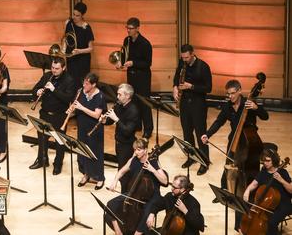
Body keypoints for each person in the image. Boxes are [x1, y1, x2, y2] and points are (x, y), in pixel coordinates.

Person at [201, 79, 269, 230]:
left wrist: (257, 107)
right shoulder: (227, 106)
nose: (230, 96)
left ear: (239, 91)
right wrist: (207, 134)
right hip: (235, 141)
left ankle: (246, 191)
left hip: (249, 142)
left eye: (232, 93)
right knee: (229, 165)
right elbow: (219, 122)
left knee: (246, 168)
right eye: (228, 94)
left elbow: (265, 116)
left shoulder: (249, 103)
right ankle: (224, 192)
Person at [106, 138, 168, 235]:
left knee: (145, 215)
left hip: (152, 196)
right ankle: (118, 232)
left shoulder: (153, 162)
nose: (136, 152)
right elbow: (121, 171)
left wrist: (153, 170)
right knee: (110, 205)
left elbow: (165, 181)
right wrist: (115, 181)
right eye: (135, 149)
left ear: (146, 150)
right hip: (135, 193)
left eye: (139, 149)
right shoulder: (133, 160)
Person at [29, 58, 76, 175]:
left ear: (63, 68)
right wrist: (37, 92)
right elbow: (34, 89)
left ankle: (58, 164)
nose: (54, 71)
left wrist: (54, 89)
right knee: (42, 138)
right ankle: (42, 160)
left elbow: (68, 98)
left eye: (57, 69)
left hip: (59, 116)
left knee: (59, 141)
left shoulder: (69, 80)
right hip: (44, 113)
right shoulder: (47, 76)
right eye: (52, 68)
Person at [173, 44, 212, 175]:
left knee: (201, 134)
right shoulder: (182, 62)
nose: (185, 60)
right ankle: (192, 157)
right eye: (183, 57)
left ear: (193, 54)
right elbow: (176, 76)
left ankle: (204, 162)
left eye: (187, 57)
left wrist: (191, 86)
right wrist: (174, 87)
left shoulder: (203, 67)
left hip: (198, 105)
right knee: (187, 134)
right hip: (184, 104)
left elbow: (208, 88)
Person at [66, 72, 106, 188]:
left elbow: (96, 115)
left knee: (95, 153)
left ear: (93, 85)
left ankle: (100, 177)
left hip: (94, 129)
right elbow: (75, 108)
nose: (84, 85)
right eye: (84, 82)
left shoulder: (100, 96)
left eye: (87, 84)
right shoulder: (80, 91)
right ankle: (86, 174)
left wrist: (82, 108)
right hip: (82, 126)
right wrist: (71, 110)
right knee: (82, 152)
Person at [115, 17, 153, 138]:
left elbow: (148, 63)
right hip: (131, 76)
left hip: (142, 78)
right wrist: (120, 62)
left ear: (137, 28)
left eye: (131, 28)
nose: (128, 31)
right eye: (127, 28)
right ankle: (136, 125)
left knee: (144, 103)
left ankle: (148, 129)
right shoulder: (127, 40)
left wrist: (133, 63)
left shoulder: (145, 44)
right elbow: (124, 55)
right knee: (133, 102)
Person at [242, 149, 292, 235]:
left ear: (274, 160)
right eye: (264, 160)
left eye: (268, 161)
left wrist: (282, 180)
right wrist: (247, 190)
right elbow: (254, 184)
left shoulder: (283, 172)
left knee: (271, 223)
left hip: (282, 204)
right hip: (266, 203)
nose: (265, 163)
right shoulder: (263, 172)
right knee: (243, 209)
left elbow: (291, 190)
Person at [101, 83, 140, 192]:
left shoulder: (133, 110)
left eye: (119, 94)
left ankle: (125, 194)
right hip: (118, 142)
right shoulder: (119, 105)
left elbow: (127, 131)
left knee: (124, 171)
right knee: (121, 168)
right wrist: (105, 120)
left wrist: (116, 119)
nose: (117, 97)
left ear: (127, 96)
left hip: (127, 145)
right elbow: (111, 120)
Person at [62, 2, 94, 89]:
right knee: (71, 82)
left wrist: (79, 51)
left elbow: (91, 48)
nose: (74, 17)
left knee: (81, 83)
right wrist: (64, 48)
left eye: (77, 15)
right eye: (73, 14)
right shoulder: (69, 23)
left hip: (82, 60)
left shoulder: (87, 28)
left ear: (82, 15)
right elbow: (65, 38)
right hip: (71, 58)